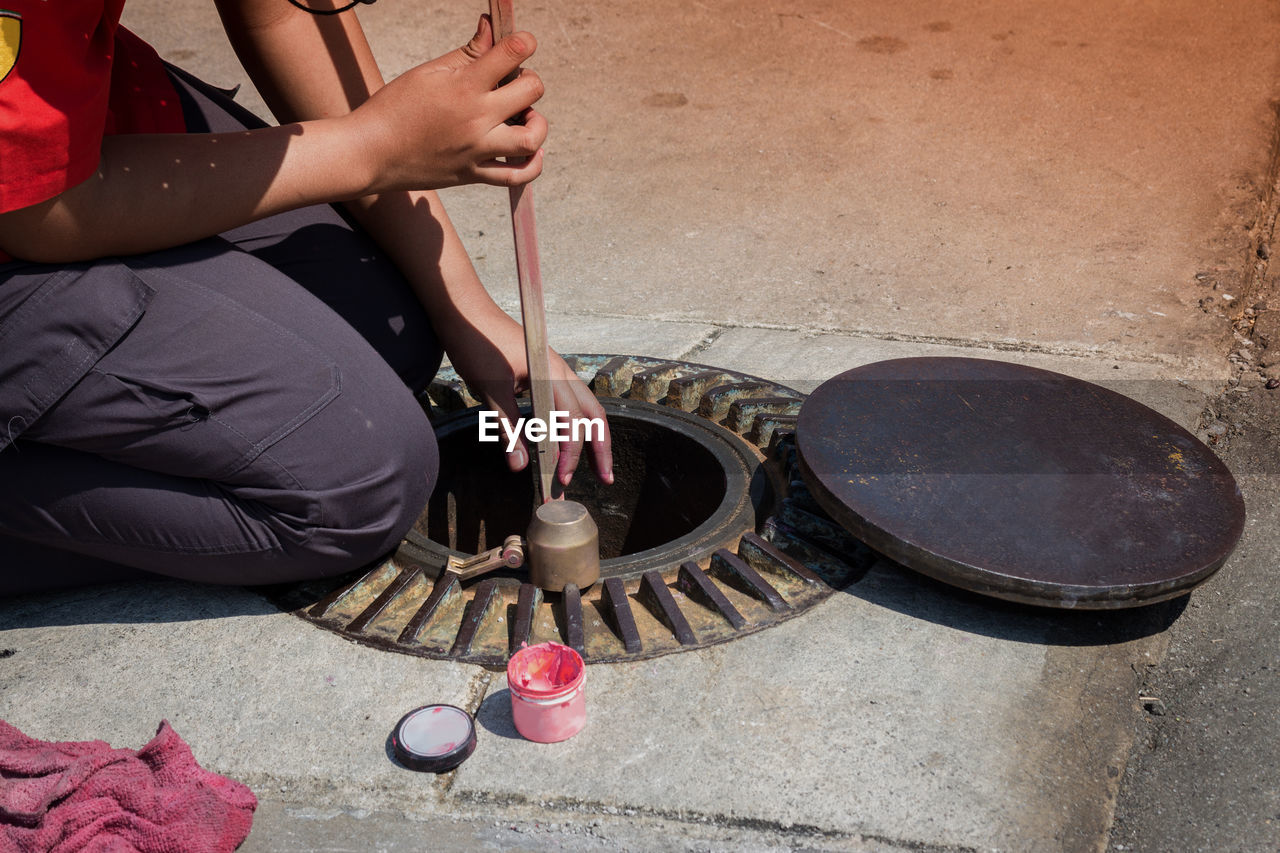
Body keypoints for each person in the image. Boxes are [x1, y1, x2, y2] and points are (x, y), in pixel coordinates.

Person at [0, 0, 613, 594]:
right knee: (361, 488)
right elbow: (41, 210)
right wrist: (374, 145)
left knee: (387, 327)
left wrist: (469, 313)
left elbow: (281, 11)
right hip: (36, 207)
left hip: (79, 121)